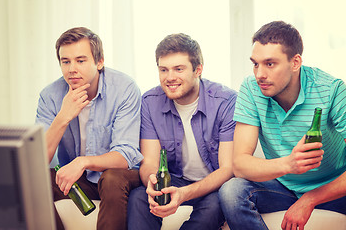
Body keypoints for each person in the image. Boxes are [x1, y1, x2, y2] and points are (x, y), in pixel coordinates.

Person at [218, 20, 346, 230]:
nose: (259, 74)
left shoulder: (332, 90)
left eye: (270, 64)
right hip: (284, 186)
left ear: (295, 62)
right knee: (231, 191)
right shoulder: (251, 89)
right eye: (255, 64)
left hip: (333, 187)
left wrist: (310, 199)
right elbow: (240, 165)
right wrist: (289, 164)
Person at [35, 27, 143, 230]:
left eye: (80, 60)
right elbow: (38, 161)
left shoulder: (124, 88)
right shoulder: (50, 96)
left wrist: (83, 162)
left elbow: (125, 155)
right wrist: (63, 117)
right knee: (32, 182)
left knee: (111, 178)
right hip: (78, 179)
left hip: (119, 176)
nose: (71, 69)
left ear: (99, 62)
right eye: (65, 61)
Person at [127, 33, 237, 229]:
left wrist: (185, 194)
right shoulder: (150, 102)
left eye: (179, 69)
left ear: (198, 70)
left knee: (215, 206)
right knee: (138, 197)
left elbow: (227, 169)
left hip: (213, 185)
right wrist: (152, 183)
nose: (170, 77)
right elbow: (150, 162)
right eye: (163, 69)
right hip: (175, 179)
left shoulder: (226, 101)